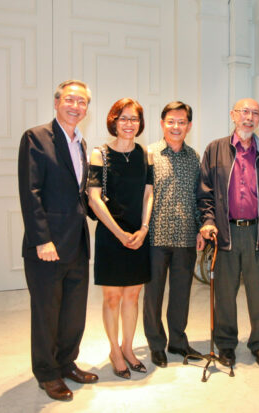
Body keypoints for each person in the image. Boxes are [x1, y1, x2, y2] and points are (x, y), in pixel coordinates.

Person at [18, 79, 98, 401]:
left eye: (82, 102)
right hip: (48, 246)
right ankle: (47, 373)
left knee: (74, 311)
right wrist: (42, 240)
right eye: (70, 100)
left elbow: (79, 193)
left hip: (77, 242)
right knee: (47, 312)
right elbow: (30, 192)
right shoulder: (36, 138)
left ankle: (66, 362)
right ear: (56, 102)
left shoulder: (80, 142)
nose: (76, 106)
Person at [197, 98, 259, 368]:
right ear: (233, 115)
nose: (249, 118)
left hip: (257, 232)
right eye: (244, 112)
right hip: (225, 231)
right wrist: (208, 220)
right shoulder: (215, 149)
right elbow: (205, 191)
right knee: (225, 293)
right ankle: (226, 344)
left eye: (255, 113)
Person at [87, 98, 154, 379]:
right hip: (110, 234)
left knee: (133, 295)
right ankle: (114, 350)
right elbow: (93, 199)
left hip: (138, 234)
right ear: (113, 121)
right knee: (112, 297)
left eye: (134, 119)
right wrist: (119, 233)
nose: (129, 124)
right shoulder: (99, 154)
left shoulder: (145, 154)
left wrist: (144, 228)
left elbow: (148, 193)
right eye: (123, 118)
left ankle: (128, 347)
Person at [143, 101, 205, 367]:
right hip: (155, 237)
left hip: (186, 236)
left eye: (182, 122)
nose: (176, 126)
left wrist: (202, 225)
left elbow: (201, 195)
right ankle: (156, 344)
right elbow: (142, 196)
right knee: (153, 294)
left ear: (189, 126)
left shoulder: (194, 157)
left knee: (181, 293)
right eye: (171, 121)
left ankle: (178, 341)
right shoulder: (149, 153)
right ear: (162, 123)